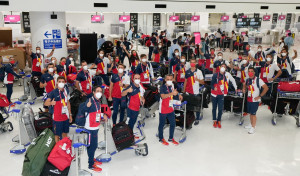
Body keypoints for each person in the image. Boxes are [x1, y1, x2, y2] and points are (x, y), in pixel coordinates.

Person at [79, 86, 110, 172]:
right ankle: (91, 165)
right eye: (97, 91)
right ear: (93, 92)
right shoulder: (89, 101)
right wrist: (87, 107)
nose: (99, 93)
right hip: (90, 128)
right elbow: (83, 110)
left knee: (94, 145)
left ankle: (92, 159)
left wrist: (103, 115)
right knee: (92, 147)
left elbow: (97, 113)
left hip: (95, 126)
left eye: (100, 91)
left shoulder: (97, 102)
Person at [44, 76, 72, 142]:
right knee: (57, 135)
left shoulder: (66, 91)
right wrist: (51, 103)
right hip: (57, 118)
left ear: (65, 83)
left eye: (63, 82)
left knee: (65, 133)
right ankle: (57, 148)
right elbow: (45, 103)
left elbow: (68, 103)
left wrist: (70, 114)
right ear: (57, 83)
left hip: (65, 117)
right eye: (60, 82)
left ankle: (64, 147)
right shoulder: (53, 92)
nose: (61, 83)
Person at [158, 74, 182, 146]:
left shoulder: (172, 85)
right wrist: (172, 93)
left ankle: (171, 138)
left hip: (170, 107)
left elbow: (175, 92)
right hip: (163, 109)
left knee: (173, 124)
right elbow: (163, 96)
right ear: (165, 80)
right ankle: (161, 138)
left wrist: (179, 94)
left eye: (171, 79)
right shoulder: (162, 87)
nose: (169, 81)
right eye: (168, 79)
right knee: (162, 124)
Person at [243, 67, 268, 134]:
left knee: (253, 114)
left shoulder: (258, 80)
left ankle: (253, 127)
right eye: (249, 71)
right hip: (249, 99)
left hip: (255, 100)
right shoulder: (247, 80)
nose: (250, 72)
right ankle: (251, 124)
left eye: (251, 71)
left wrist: (260, 96)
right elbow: (245, 86)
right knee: (250, 113)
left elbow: (266, 88)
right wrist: (244, 88)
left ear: (254, 72)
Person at [211, 63, 237, 128]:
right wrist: (213, 88)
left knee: (220, 108)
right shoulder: (215, 75)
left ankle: (219, 120)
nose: (223, 68)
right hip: (214, 94)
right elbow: (211, 84)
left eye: (224, 67)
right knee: (214, 108)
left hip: (221, 94)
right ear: (220, 67)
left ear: (226, 68)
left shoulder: (227, 75)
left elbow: (233, 80)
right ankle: (214, 120)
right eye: (222, 66)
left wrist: (236, 88)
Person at [183, 58, 205, 125]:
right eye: (191, 62)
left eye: (194, 62)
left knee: (197, 106)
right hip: (188, 92)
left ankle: (197, 118)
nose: (192, 63)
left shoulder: (199, 72)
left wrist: (197, 79)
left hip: (196, 92)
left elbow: (203, 82)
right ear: (190, 63)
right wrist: (184, 91)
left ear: (196, 63)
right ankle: (190, 118)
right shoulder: (187, 71)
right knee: (189, 106)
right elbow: (185, 81)